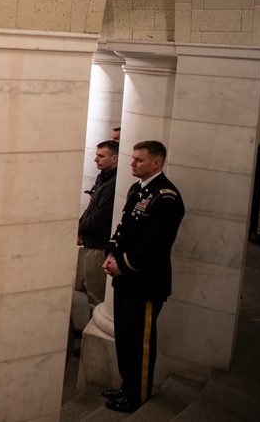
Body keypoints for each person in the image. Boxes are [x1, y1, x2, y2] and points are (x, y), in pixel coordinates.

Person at [101, 140, 185, 413]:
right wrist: (111, 255)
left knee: (140, 342)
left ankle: (138, 395)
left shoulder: (165, 197)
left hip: (145, 282)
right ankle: (127, 386)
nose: (132, 163)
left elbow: (155, 246)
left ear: (156, 163)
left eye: (138, 159)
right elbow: (124, 229)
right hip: (126, 278)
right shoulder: (139, 189)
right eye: (133, 158)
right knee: (125, 337)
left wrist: (123, 264)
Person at [75, 140, 119, 313]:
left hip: (99, 245)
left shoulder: (113, 183)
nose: (95, 160)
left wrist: (79, 228)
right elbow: (90, 210)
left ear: (114, 158)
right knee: (90, 289)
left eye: (101, 156)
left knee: (96, 295)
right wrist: (79, 226)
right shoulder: (105, 179)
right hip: (92, 242)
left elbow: (99, 217)